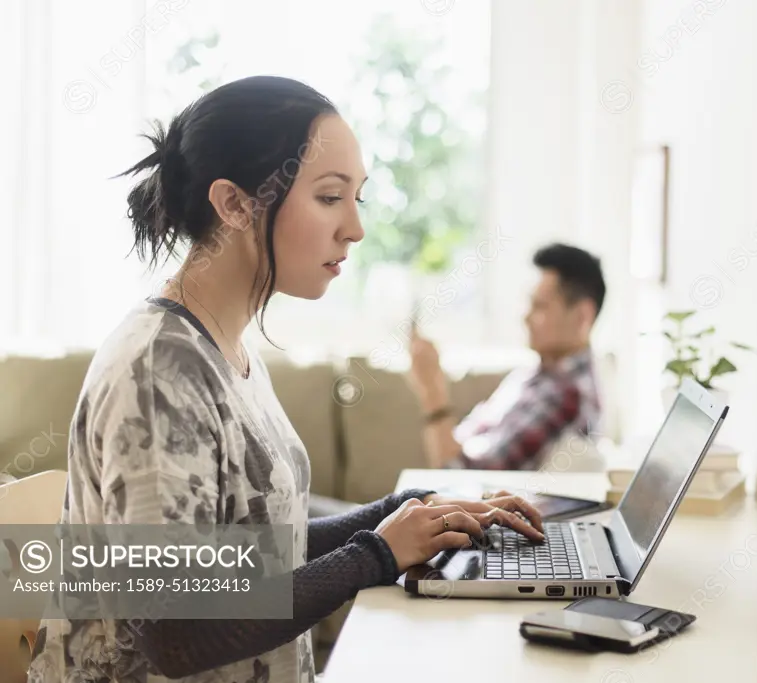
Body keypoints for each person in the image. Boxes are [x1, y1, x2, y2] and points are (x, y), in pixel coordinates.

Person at [27, 75, 545, 683]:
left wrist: (410, 512)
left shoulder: (225, 347)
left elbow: (257, 546)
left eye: (358, 197)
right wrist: (377, 553)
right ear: (234, 204)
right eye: (330, 197)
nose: (354, 226)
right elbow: (174, 632)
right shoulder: (157, 371)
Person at [406, 243, 605, 470]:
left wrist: (432, 392)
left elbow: (458, 476)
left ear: (582, 316)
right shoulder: (536, 374)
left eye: (540, 306)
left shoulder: (567, 395)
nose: (526, 318)